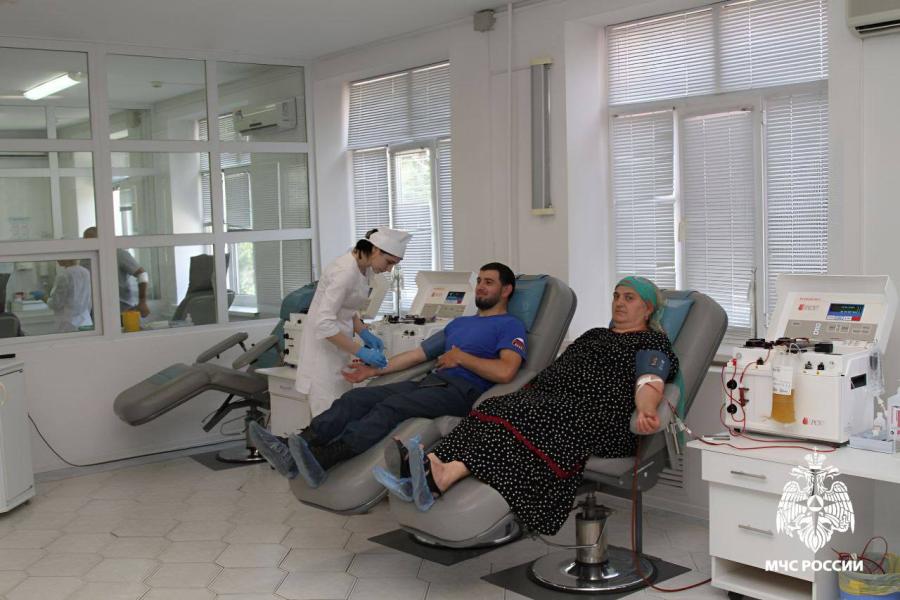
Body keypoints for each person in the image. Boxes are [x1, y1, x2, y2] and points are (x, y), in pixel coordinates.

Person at [378, 276, 678, 536]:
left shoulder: (651, 342)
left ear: (647, 309)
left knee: (524, 414)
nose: (619, 303)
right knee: (494, 406)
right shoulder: (595, 334)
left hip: (598, 418)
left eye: (629, 298)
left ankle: (444, 473)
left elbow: (649, 380)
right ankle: (429, 465)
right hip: (557, 404)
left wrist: (646, 409)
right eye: (616, 296)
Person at [249, 262, 528, 488]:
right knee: (356, 399)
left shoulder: (510, 325)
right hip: (430, 384)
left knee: (391, 407)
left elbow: (506, 371)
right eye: (479, 281)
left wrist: (461, 358)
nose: (480, 287)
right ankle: (294, 446)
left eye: (489, 282)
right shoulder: (460, 324)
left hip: (461, 392)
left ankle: (323, 458)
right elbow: (416, 355)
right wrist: (372, 370)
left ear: (506, 290)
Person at [294, 227, 411, 417]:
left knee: (341, 414)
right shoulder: (344, 272)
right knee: (327, 419)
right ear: (375, 250)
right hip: (322, 359)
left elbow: (348, 308)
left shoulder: (365, 268)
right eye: (389, 262)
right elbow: (323, 323)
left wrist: (363, 332)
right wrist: (360, 351)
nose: (389, 269)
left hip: (338, 353)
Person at [83, 227, 150, 318]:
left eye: (91, 241)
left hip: (122, 312)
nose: (88, 245)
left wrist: (142, 301)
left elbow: (142, 274)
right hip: (95, 315)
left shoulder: (118, 254)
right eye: (86, 242)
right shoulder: (85, 259)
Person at [44, 259, 93, 332]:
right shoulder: (86, 272)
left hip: (69, 324)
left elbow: (56, 303)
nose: (57, 260)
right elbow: (88, 300)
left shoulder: (64, 275)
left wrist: (44, 298)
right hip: (85, 321)